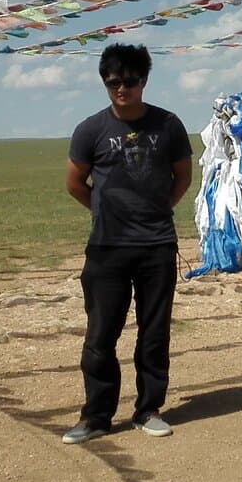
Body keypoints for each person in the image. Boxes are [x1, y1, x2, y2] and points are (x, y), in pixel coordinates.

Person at [61, 43, 194, 444]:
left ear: (144, 81)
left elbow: (182, 178)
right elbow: (74, 183)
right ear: (105, 82)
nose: (123, 89)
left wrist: (156, 212)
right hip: (107, 248)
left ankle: (148, 410)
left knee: (154, 333)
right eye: (115, 82)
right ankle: (96, 416)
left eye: (131, 81)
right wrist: (104, 214)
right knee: (101, 335)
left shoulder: (168, 125)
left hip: (156, 246)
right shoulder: (91, 130)